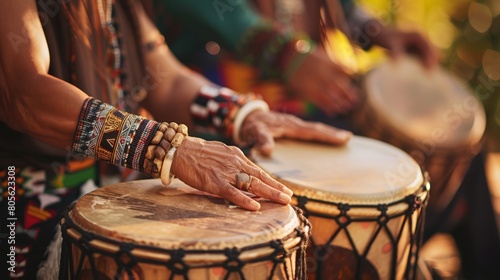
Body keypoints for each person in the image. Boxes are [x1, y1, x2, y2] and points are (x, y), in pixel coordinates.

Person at [0, 0, 354, 278]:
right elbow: (25, 93)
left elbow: (164, 77)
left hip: (118, 188)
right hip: (29, 200)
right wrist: (169, 148)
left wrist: (244, 115)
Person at [150, 0, 438, 119]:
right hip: (222, 108)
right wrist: (286, 55)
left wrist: (375, 32)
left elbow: (342, 9)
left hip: (309, 104)